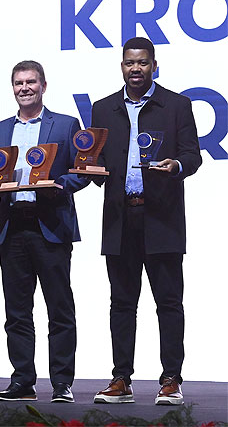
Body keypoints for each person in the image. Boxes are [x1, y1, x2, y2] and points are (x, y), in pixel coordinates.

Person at [91, 37, 201, 406]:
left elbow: (193, 155)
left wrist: (177, 165)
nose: (135, 68)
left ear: (154, 65)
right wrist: (89, 169)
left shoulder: (177, 105)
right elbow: (96, 160)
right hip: (119, 217)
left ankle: (171, 379)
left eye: (142, 62)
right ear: (121, 66)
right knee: (121, 303)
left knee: (168, 302)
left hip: (162, 217)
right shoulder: (102, 109)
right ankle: (121, 379)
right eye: (129, 63)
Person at [0, 61, 88, 403]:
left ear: (44, 86)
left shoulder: (66, 124)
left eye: (31, 82)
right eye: (19, 83)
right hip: (13, 224)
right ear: (13, 87)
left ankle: (62, 384)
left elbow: (82, 170)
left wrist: (60, 185)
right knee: (16, 312)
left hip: (51, 224)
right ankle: (22, 381)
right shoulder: (0, 129)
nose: (24, 88)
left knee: (60, 309)